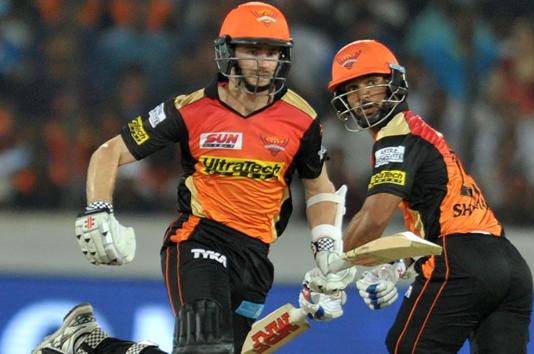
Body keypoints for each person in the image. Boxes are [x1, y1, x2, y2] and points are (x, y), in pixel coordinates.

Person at [33, 3, 355, 354]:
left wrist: (326, 247)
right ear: (227, 51)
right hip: (200, 239)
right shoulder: (191, 110)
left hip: (256, 258)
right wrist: (98, 208)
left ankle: (88, 344)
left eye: (272, 53)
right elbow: (109, 152)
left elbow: (318, 186)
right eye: (252, 51)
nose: (263, 63)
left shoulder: (301, 118)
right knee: (205, 349)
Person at [326, 39, 533, 353]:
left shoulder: (396, 138)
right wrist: (398, 266)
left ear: (394, 82)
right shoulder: (422, 133)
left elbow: (374, 218)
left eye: (372, 82)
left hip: (460, 261)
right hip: (508, 263)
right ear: (344, 100)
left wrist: (330, 267)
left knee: (407, 348)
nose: (363, 94)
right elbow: (439, 216)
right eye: (352, 88)